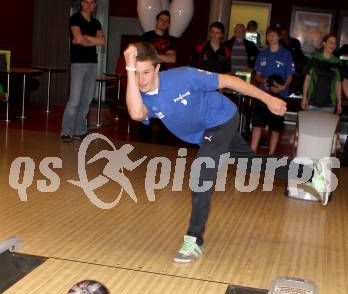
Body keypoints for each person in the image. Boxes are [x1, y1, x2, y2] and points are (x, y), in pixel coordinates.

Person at [123, 41, 331, 264]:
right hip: (206, 132)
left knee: (201, 175)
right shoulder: (139, 93)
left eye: (145, 72)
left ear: (157, 68)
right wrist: (129, 69)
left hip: (221, 119)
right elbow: (136, 113)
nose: (141, 80)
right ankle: (311, 174)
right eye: (136, 73)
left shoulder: (183, 77)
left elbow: (230, 81)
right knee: (251, 164)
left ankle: (194, 241)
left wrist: (268, 99)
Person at [61, 0, 105, 142]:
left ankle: (79, 130)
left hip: (92, 64)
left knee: (86, 100)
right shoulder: (75, 19)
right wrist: (86, 39)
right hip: (78, 63)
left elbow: (102, 41)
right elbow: (79, 39)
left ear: (95, 4)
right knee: (74, 100)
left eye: (92, 2)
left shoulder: (96, 22)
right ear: (81, 3)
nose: (89, 5)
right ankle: (66, 131)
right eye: (86, 2)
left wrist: (84, 38)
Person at [251, 25, 295, 155]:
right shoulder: (262, 54)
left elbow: (290, 76)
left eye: (274, 34)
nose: (271, 37)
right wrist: (263, 80)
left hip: (279, 95)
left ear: (279, 37)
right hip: (262, 94)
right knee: (257, 124)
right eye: (269, 34)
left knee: (275, 127)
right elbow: (257, 75)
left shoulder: (286, 55)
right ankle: (252, 152)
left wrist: (283, 87)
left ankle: (270, 155)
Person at [301, 34, 342, 114]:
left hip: (329, 105)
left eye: (335, 43)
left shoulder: (338, 62)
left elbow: (338, 84)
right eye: (330, 42)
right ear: (324, 43)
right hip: (311, 102)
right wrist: (304, 97)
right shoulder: (314, 58)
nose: (333, 45)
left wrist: (339, 102)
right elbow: (307, 79)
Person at [280, 27, 308, 94]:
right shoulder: (280, 44)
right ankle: (292, 91)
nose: (284, 36)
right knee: (294, 73)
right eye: (282, 35)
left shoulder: (295, 42)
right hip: (286, 66)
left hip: (298, 63)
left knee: (306, 71)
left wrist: (307, 62)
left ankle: (301, 92)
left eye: (285, 34)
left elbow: (300, 54)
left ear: (288, 35)